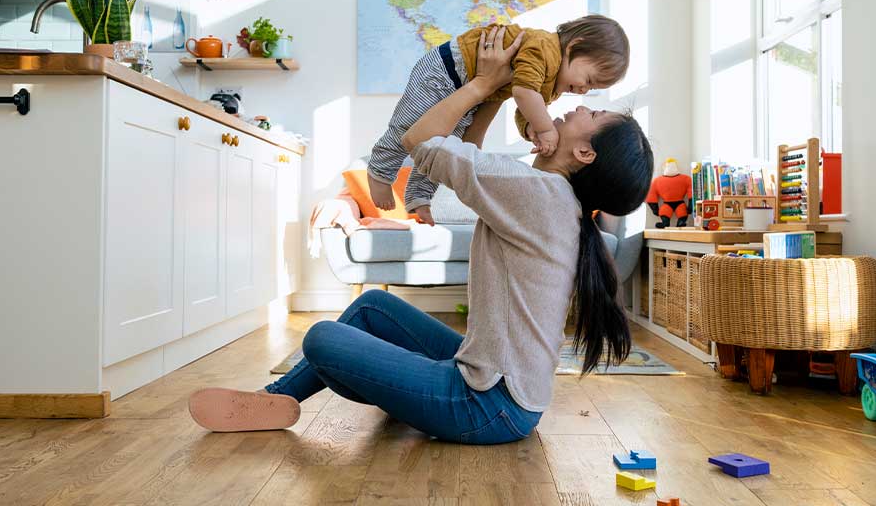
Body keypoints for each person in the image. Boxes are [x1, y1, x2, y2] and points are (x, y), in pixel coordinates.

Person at [188, 27, 653, 445]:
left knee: (322, 339)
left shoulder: (536, 192)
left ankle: (355, 390)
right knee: (373, 307)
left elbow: (420, 139)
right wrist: (493, 93)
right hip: (500, 391)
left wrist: (482, 83)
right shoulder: (549, 196)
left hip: (486, 406)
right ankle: (276, 402)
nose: (577, 106)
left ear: (584, 151)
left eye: (591, 112)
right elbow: (464, 153)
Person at [367, 15, 630, 225]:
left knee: (446, 142)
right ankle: (380, 170)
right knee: (407, 123)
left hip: (473, 86)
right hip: (448, 70)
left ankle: (419, 194)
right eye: (589, 80)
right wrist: (544, 128)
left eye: (592, 90)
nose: (584, 94)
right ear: (574, 47)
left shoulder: (551, 86)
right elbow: (523, 92)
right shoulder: (545, 48)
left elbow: (523, 105)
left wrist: (530, 128)